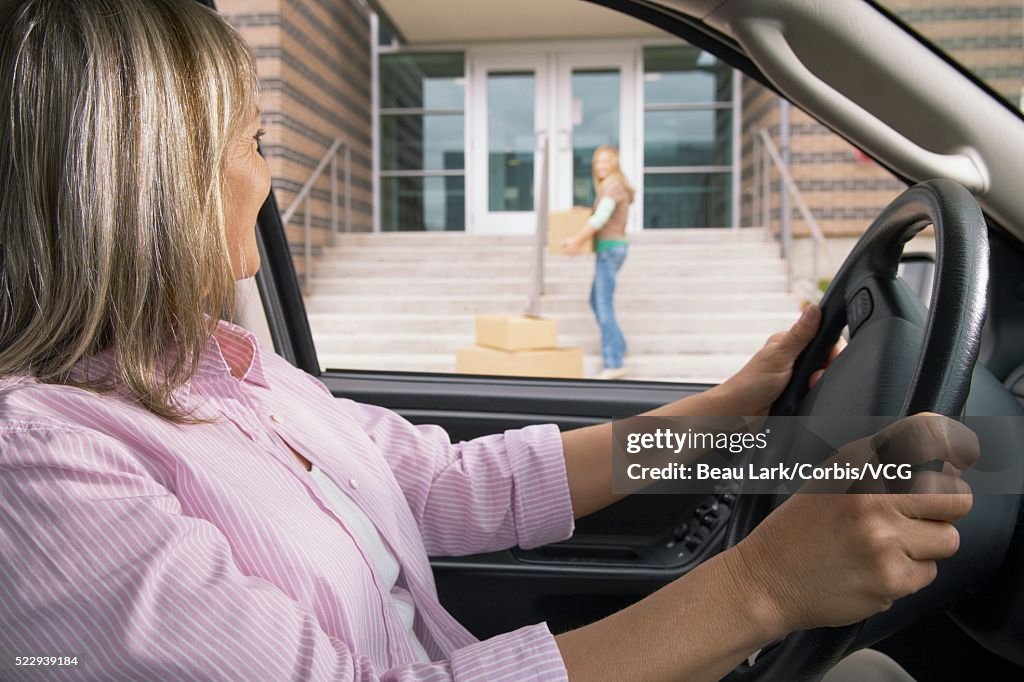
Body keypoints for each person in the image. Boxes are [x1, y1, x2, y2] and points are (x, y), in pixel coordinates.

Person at [0, 1, 974, 680]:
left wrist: (730, 415)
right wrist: (763, 588)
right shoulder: (38, 458)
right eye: (251, 142)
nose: (267, 179)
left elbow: (446, 486)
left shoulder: (236, 373)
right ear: (147, 179)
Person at [563, 146, 634, 380]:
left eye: (605, 162)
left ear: (614, 163)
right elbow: (602, 212)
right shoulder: (612, 186)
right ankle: (619, 344)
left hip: (609, 251)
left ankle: (613, 361)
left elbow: (600, 219)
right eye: (597, 163)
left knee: (603, 304)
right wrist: (583, 211)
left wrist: (575, 240)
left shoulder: (612, 185)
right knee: (596, 300)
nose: (600, 166)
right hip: (614, 249)